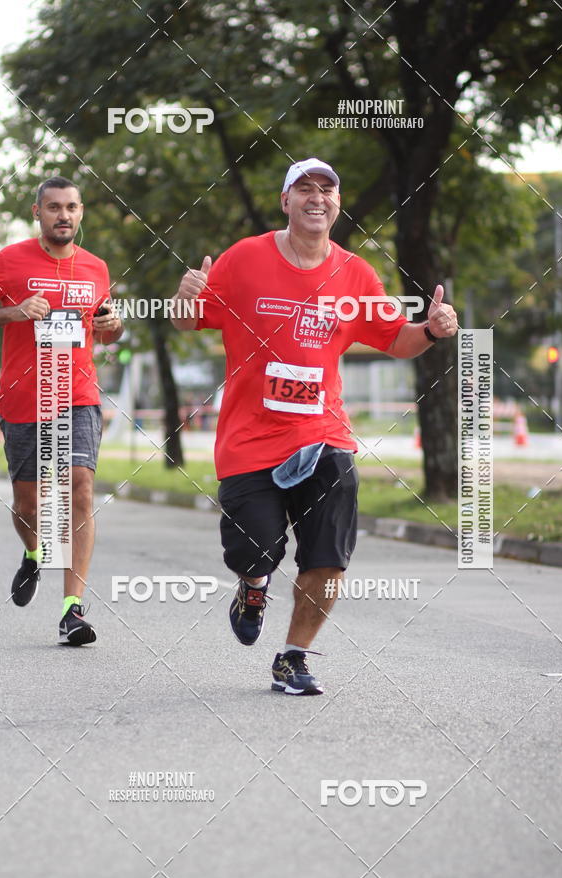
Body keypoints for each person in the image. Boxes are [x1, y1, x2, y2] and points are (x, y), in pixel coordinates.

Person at [173, 157, 458, 695]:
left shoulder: (355, 273)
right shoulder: (244, 259)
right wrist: (185, 297)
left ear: (338, 203)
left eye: (328, 188)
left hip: (323, 434)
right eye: (304, 188)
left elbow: (396, 340)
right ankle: (253, 586)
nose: (317, 196)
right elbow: (189, 321)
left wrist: (432, 330)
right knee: (253, 550)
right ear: (286, 201)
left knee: (328, 555)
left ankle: (293, 657)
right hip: (250, 439)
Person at [0, 176, 123, 644]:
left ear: (81, 213)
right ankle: (34, 553)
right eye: (53, 207)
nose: (63, 215)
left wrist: (114, 326)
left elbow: (105, 330)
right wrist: (11, 312)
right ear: (37, 212)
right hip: (22, 400)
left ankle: (72, 609)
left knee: (79, 486)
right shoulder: (10, 261)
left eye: (72, 207)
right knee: (29, 504)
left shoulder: (95, 267)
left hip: (77, 394)